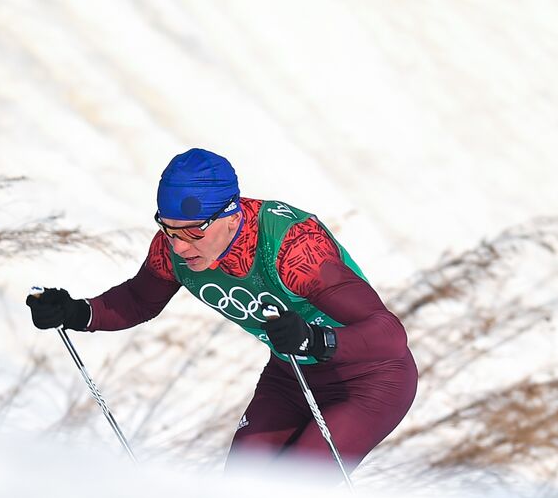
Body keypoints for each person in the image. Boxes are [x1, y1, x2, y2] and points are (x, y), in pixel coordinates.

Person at [26, 148, 417, 474]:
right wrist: (75, 312)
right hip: (291, 376)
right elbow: (138, 301)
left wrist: (315, 339)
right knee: (241, 490)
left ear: (230, 215)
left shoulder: (292, 248)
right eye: (169, 229)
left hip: (368, 382)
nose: (180, 246)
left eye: (194, 231)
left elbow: (389, 335)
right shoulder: (174, 247)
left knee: (295, 489)